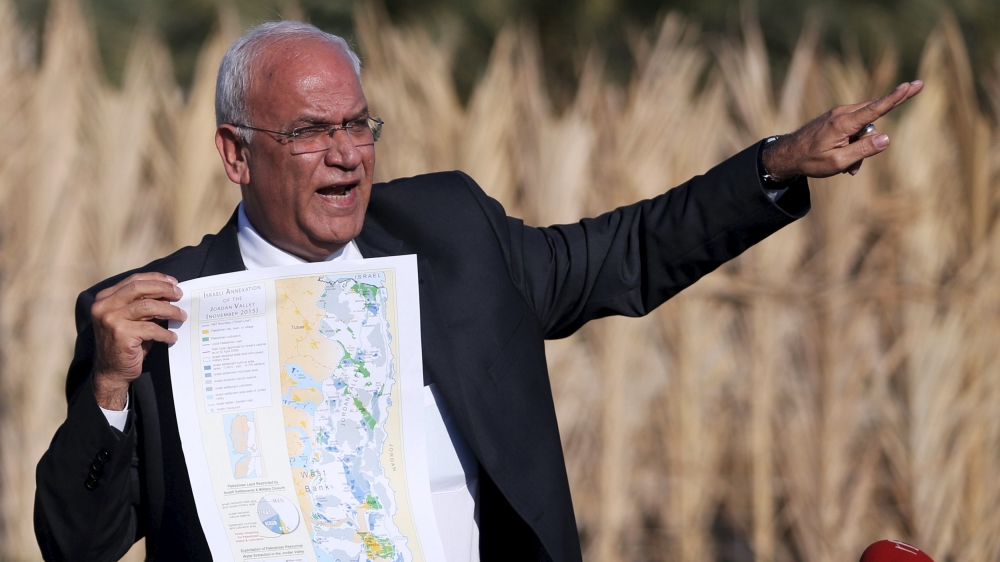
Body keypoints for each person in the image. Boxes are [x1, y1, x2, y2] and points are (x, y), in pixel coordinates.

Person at [33, 20, 921, 562]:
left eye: (357, 124)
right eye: (310, 132)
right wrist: (109, 391)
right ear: (235, 154)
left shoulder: (452, 237)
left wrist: (773, 166)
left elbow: (625, 254)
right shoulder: (156, 312)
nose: (347, 152)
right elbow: (78, 546)